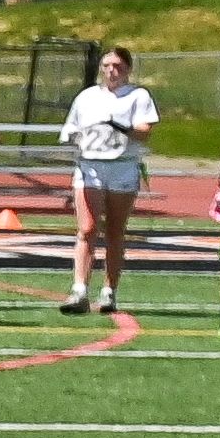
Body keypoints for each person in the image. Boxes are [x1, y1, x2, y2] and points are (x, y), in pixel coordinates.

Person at [56, 44, 159, 317]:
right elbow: (71, 128)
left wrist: (120, 126)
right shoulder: (87, 97)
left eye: (118, 66)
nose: (112, 71)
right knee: (87, 229)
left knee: (114, 230)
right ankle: (79, 289)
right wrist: (73, 137)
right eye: (107, 66)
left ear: (128, 69)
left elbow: (145, 130)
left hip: (121, 167)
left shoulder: (138, 96)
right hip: (90, 166)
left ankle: (109, 290)